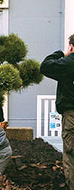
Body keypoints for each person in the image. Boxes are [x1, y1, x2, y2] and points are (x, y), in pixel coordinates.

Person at [40, 34, 74, 190]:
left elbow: (45, 66)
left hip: (71, 113)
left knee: (71, 154)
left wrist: (62, 53)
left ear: (71, 46)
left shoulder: (69, 63)